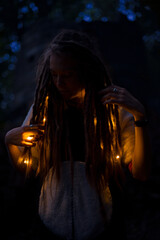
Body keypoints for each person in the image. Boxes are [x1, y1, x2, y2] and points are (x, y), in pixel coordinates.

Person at [5, 29, 151, 240]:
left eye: (67, 75)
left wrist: (139, 116)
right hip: (52, 226)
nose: (58, 83)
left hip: (105, 227)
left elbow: (141, 173)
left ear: (87, 70)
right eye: (53, 74)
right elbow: (30, 167)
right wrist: (10, 141)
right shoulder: (44, 109)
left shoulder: (114, 110)